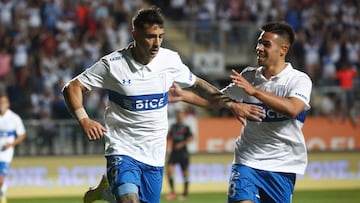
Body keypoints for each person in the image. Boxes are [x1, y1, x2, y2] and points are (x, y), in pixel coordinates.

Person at [62, 6, 265, 203]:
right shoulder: (113, 65)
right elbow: (72, 87)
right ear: (135, 34)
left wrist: (231, 104)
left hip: (155, 155)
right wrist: (84, 119)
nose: (157, 43)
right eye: (150, 36)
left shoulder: (170, 60)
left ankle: (107, 192)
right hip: (122, 148)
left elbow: (198, 85)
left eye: (160, 36)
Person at [178, 21, 312, 203]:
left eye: (266, 44)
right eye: (259, 42)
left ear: (283, 50)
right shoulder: (250, 76)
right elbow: (217, 101)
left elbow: (293, 109)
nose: (259, 48)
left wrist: (254, 91)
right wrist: (182, 95)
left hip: (283, 165)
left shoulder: (298, 80)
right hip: (247, 161)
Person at [0, 86, 26, 203]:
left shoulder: (14, 118)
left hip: (5, 153)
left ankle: (3, 195)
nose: (2, 104)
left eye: (4, 102)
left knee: (0, 178)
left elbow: (22, 134)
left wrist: (11, 144)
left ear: (8, 104)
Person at [165, 110, 194, 201]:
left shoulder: (186, 127)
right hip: (174, 152)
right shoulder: (173, 127)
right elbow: (168, 136)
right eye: (178, 116)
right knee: (169, 171)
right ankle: (172, 192)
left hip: (183, 153)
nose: (179, 118)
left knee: (185, 173)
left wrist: (182, 144)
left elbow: (191, 137)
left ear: (183, 117)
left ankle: (185, 193)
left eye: (181, 116)